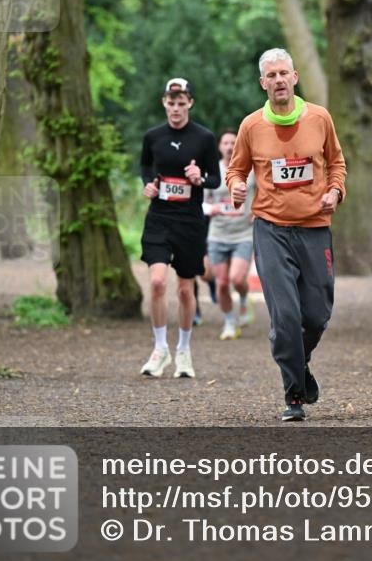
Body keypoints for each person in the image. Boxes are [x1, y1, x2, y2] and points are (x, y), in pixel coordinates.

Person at [227, 48, 346, 422]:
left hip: (314, 228)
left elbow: (337, 163)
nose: (278, 80)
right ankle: (293, 393)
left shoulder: (320, 118)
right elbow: (236, 170)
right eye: (271, 75)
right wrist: (235, 188)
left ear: (295, 77)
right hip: (271, 230)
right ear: (263, 83)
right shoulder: (251, 126)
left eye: (284, 73)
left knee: (316, 315)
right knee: (285, 316)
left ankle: (300, 361)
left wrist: (335, 192)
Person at [139, 78, 221, 379]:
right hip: (159, 218)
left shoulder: (204, 137)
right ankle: (160, 349)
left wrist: (200, 178)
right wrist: (148, 185)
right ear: (164, 103)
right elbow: (145, 167)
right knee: (158, 282)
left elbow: (216, 179)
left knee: (186, 290)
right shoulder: (153, 136)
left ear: (190, 103)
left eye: (181, 102)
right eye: (171, 103)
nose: (176, 108)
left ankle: (183, 351)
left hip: (189, 221)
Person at [204, 129, 257, 341]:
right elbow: (202, 202)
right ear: (219, 147)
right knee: (222, 283)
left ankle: (244, 299)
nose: (228, 146)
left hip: (243, 233)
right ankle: (229, 321)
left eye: (233, 143)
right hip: (217, 234)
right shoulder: (212, 172)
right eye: (225, 143)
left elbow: (263, 192)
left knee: (236, 279)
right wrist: (211, 209)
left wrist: (256, 209)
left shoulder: (251, 171)